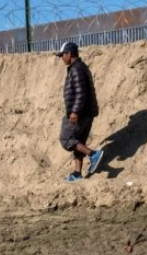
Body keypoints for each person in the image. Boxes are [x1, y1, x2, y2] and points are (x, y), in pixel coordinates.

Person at [56, 42, 103, 182]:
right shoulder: (80, 67)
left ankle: (93, 154)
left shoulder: (76, 69)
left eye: (62, 55)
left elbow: (80, 92)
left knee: (66, 139)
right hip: (87, 111)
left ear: (69, 54)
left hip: (80, 112)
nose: (61, 58)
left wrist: (75, 112)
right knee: (78, 141)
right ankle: (77, 173)